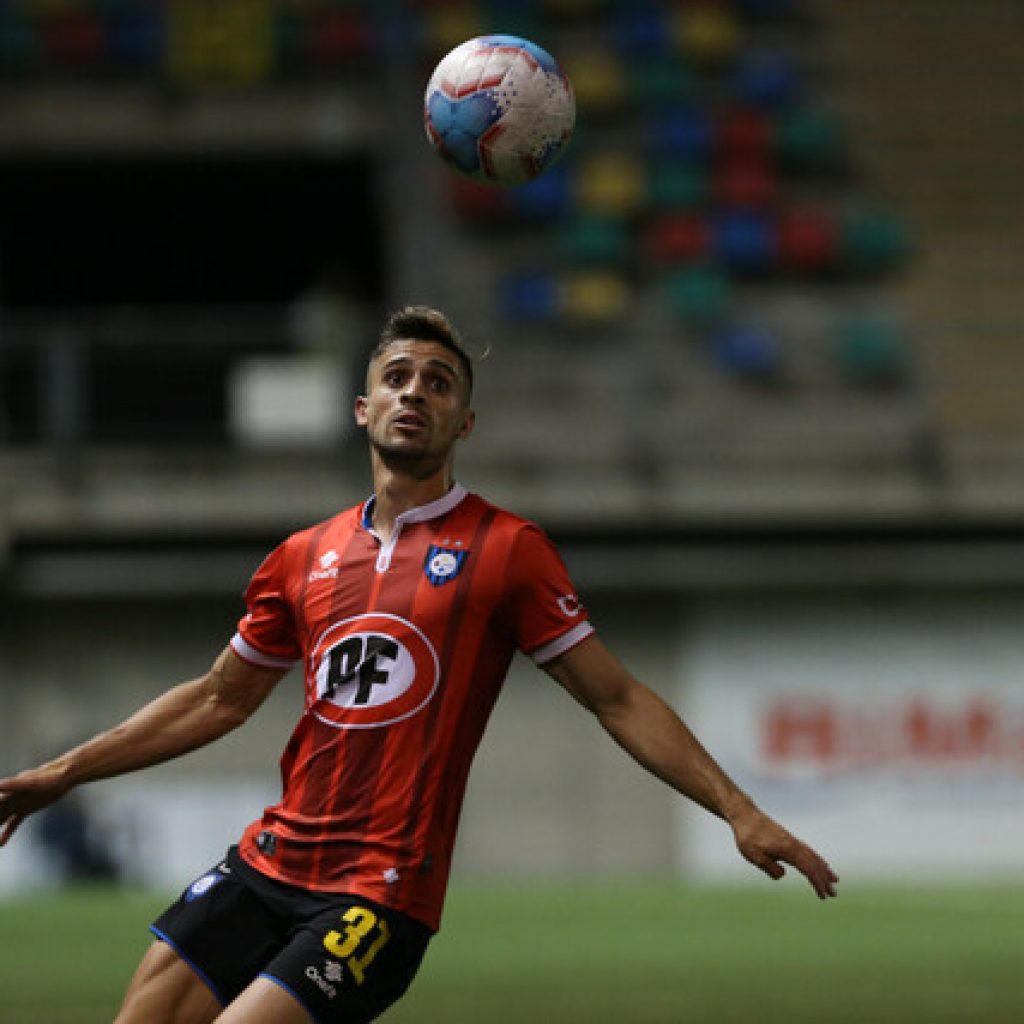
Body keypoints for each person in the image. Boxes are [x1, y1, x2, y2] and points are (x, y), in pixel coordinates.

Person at [0, 306, 838, 1024]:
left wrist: (738, 809)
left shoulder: (507, 551)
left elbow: (616, 698)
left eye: (439, 383)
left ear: (462, 424)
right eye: (398, 377)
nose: (415, 393)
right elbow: (218, 700)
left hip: (376, 896)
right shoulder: (302, 557)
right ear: (364, 408)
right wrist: (61, 775)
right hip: (265, 865)